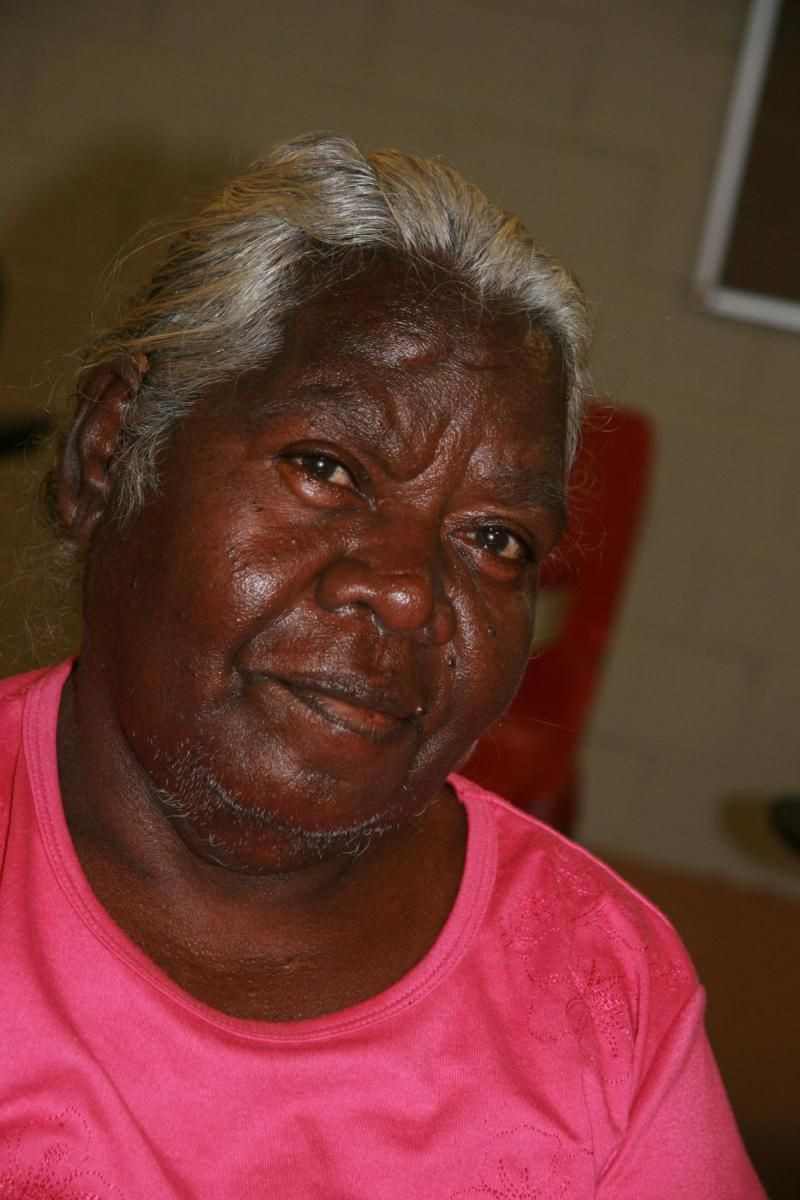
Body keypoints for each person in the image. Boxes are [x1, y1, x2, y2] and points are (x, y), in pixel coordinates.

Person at [0, 133, 764, 1198]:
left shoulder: (598, 986)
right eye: (325, 467)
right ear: (109, 454)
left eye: (495, 540)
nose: (408, 591)